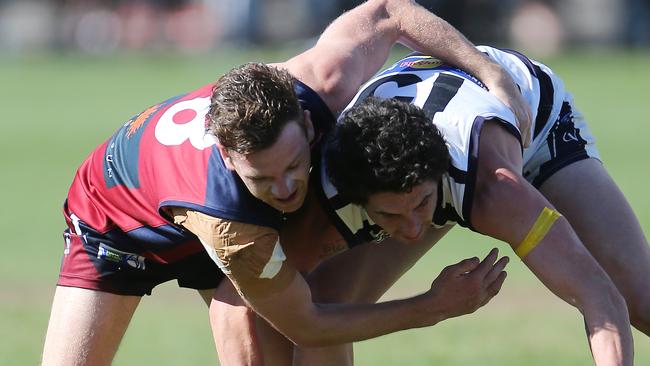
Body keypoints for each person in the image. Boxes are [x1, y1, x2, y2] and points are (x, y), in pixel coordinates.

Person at [41, 1, 532, 365]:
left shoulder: (324, 78)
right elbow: (310, 323)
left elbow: (388, 12)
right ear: (231, 159)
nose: (286, 190)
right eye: (264, 177)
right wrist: (431, 307)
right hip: (113, 223)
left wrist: (488, 70)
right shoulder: (237, 230)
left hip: (206, 204)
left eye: (296, 165)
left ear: (308, 123)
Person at [311, 46, 650, 365]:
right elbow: (282, 307)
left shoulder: (496, 189)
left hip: (534, 121)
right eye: (389, 214)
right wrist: (429, 307)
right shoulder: (334, 184)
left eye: (423, 205)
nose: (413, 229)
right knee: (324, 302)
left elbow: (599, 295)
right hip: (443, 165)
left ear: (441, 177)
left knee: (639, 300)